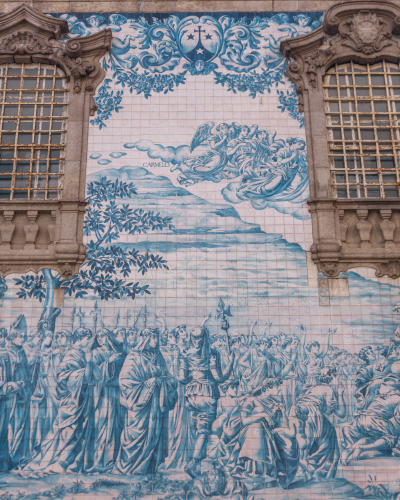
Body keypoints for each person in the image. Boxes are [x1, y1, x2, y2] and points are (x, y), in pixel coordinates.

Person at [24, 328, 95, 474]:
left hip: (79, 399)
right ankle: (48, 461)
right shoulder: (71, 354)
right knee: (63, 432)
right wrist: (86, 369)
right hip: (70, 400)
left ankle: (64, 463)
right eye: (87, 339)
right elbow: (63, 378)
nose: (89, 342)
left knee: (74, 432)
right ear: (79, 339)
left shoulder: (80, 353)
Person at [177, 314, 235, 478]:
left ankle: (198, 463)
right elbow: (219, 378)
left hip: (191, 395)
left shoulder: (185, 353)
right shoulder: (211, 352)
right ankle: (194, 462)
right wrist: (231, 362)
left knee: (198, 430)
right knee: (203, 430)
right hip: (208, 394)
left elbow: (182, 378)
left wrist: (194, 377)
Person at [115, 328, 177, 475]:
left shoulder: (159, 357)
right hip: (139, 404)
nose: (156, 341)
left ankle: (148, 468)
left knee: (154, 433)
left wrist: (159, 380)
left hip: (156, 404)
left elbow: (169, 378)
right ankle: (127, 469)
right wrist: (146, 384)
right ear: (145, 339)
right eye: (153, 337)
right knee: (134, 434)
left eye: (157, 337)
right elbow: (125, 382)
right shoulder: (134, 357)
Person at [225, 378, 298, 489]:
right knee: (257, 427)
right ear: (268, 387)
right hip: (250, 433)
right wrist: (263, 415)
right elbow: (244, 420)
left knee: (290, 440)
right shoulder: (251, 400)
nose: (279, 389)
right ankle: (252, 472)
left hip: (271, 435)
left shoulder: (274, 403)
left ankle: (267, 474)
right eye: (277, 387)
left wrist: (282, 413)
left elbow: (282, 424)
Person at [290, 372, 346, 480]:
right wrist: (341, 393)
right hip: (312, 412)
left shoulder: (310, 390)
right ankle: (321, 473)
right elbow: (341, 414)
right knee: (327, 439)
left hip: (296, 411)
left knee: (306, 445)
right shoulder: (328, 389)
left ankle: (307, 472)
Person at [85, 328, 125, 473]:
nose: (101, 339)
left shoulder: (118, 352)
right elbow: (94, 374)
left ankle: (110, 461)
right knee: (101, 426)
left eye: (103, 336)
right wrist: (108, 362)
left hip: (115, 393)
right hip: (101, 395)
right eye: (99, 336)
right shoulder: (96, 353)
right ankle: (98, 461)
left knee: (114, 427)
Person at [7, 315, 32, 469]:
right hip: (11, 397)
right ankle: (11, 458)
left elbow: (27, 373)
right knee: (12, 427)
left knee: (22, 427)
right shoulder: (6, 352)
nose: (22, 338)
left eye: (24, 336)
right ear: (13, 336)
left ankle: (19, 458)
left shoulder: (22, 352)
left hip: (23, 396)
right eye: (20, 336)